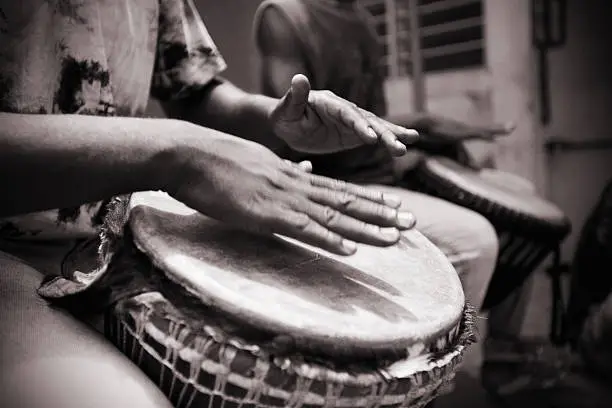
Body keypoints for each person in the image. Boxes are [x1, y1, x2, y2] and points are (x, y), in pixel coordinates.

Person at [0, 1, 425, 406]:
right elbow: (178, 143)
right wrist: (177, 153)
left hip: (116, 224)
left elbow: (194, 93)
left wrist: (273, 119)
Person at [253, 0, 507, 322]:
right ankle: (449, 368)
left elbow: (363, 114)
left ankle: (508, 357)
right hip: (339, 184)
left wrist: (424, 130)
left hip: (383, 173)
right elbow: (296, 128)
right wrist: (420, 127)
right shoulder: (285, 16)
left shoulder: (358, 15)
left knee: (514, 188)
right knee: (477, 239)